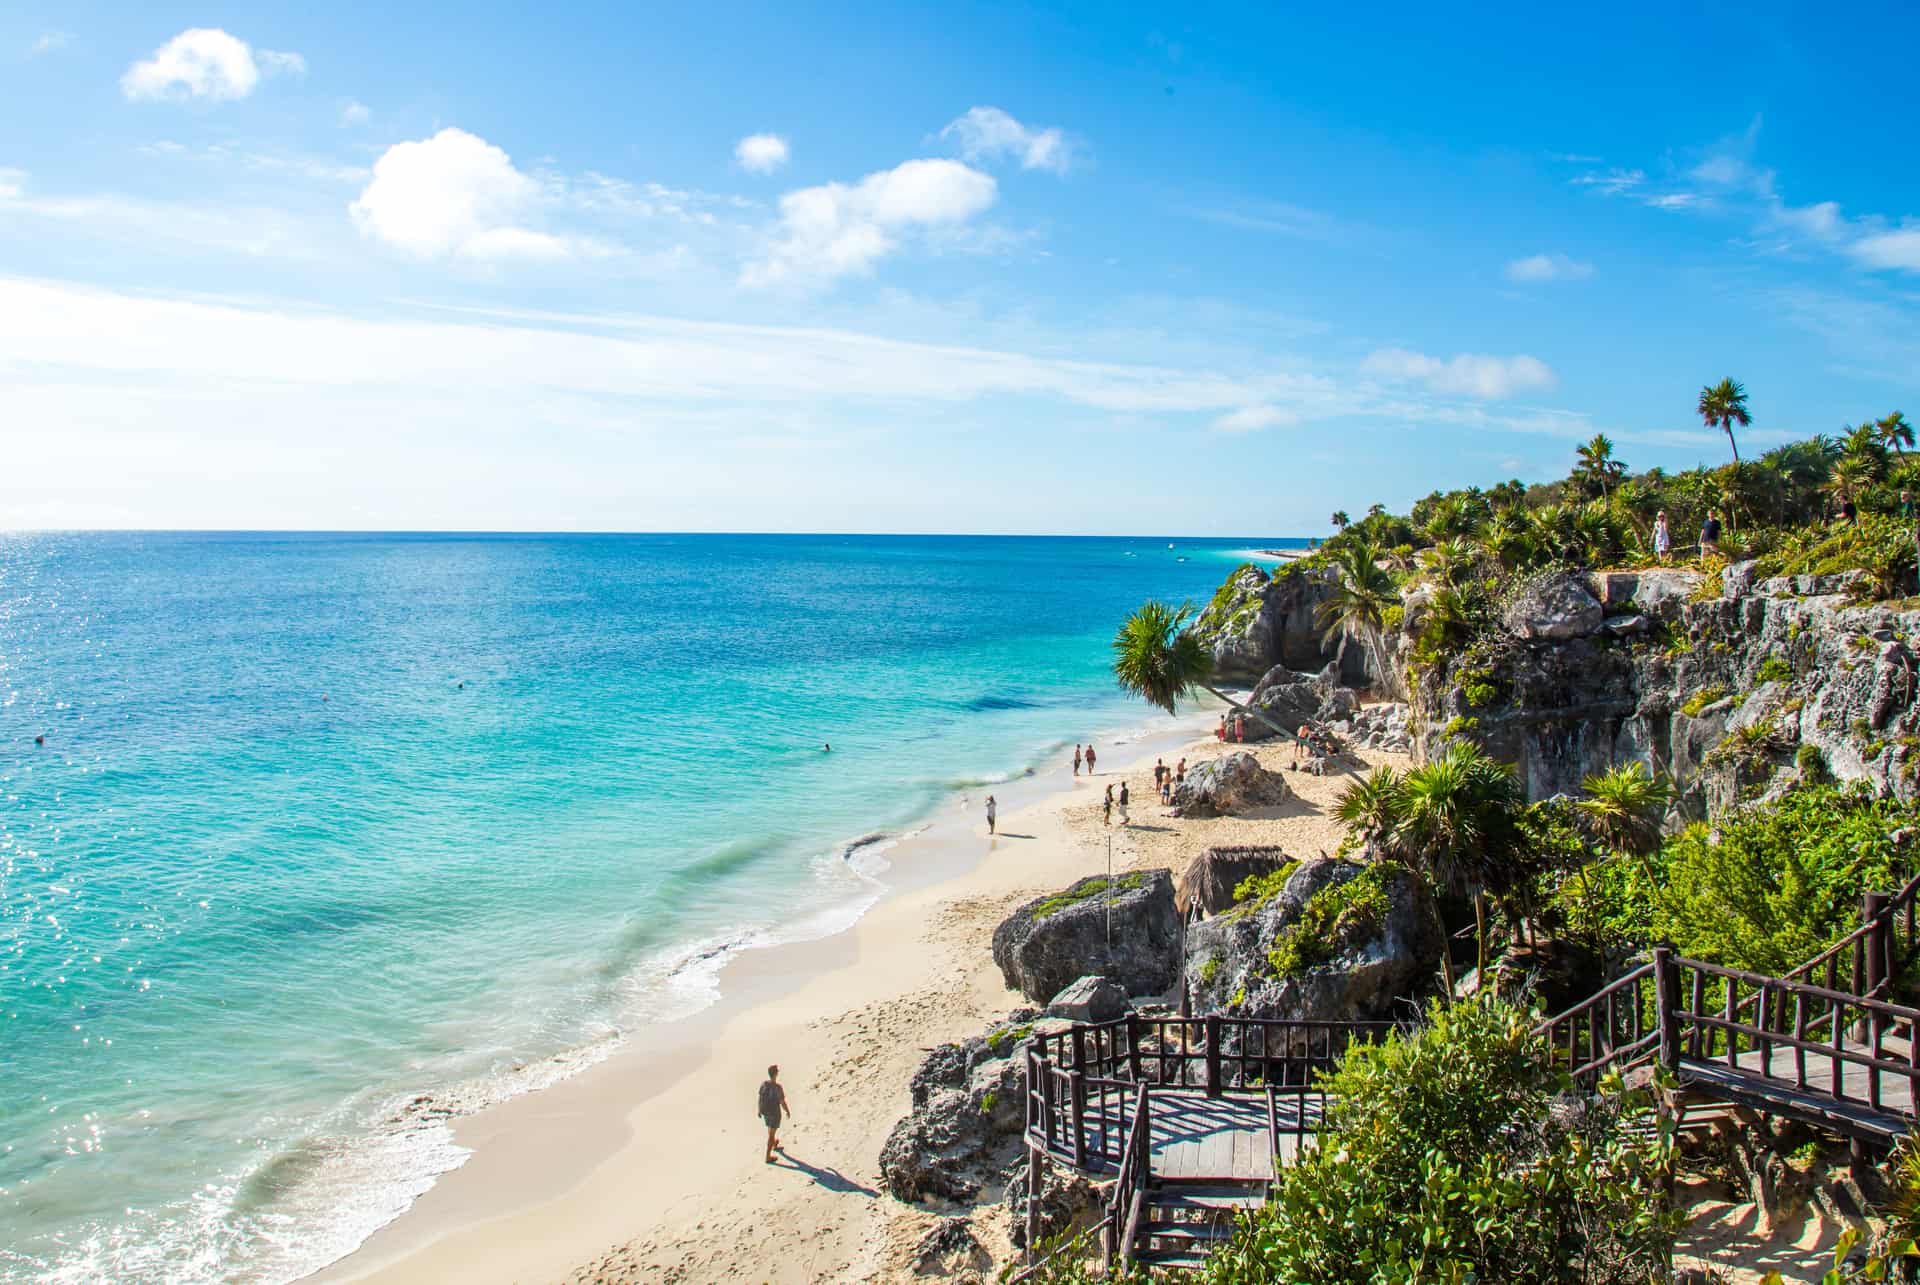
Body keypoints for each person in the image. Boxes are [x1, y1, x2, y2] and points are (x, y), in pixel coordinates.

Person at [758, 1065, 791, 1163]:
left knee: (771, 1130)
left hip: (765, 1112)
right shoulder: (778, 1087)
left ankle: (774, 1143)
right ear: (776, 1074)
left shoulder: (764, 1084)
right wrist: (787, 1111)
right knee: (771, 1134)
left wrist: (759, 1110)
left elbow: (760, 1098)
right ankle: (768, 1157)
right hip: (774, 1113)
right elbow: (782, 1102)